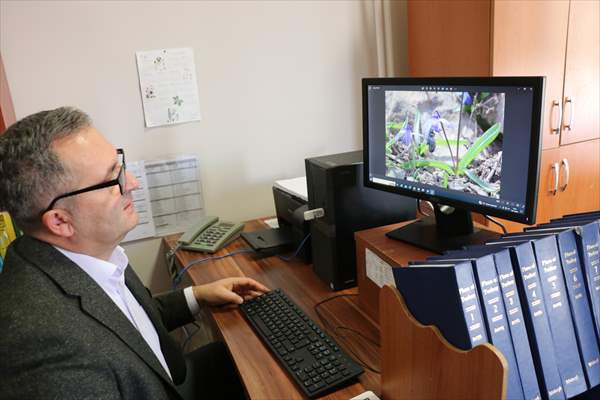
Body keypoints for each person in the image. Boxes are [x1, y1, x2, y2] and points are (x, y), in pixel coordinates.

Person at [0, 107, 269, 399]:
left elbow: (124, 323)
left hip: (169, 375)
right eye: (112, 179)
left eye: (120, 166)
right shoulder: (43, 347)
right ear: (60, 221)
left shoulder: (90, 251)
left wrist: (198, 295)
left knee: (256, 354)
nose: (132, 183)